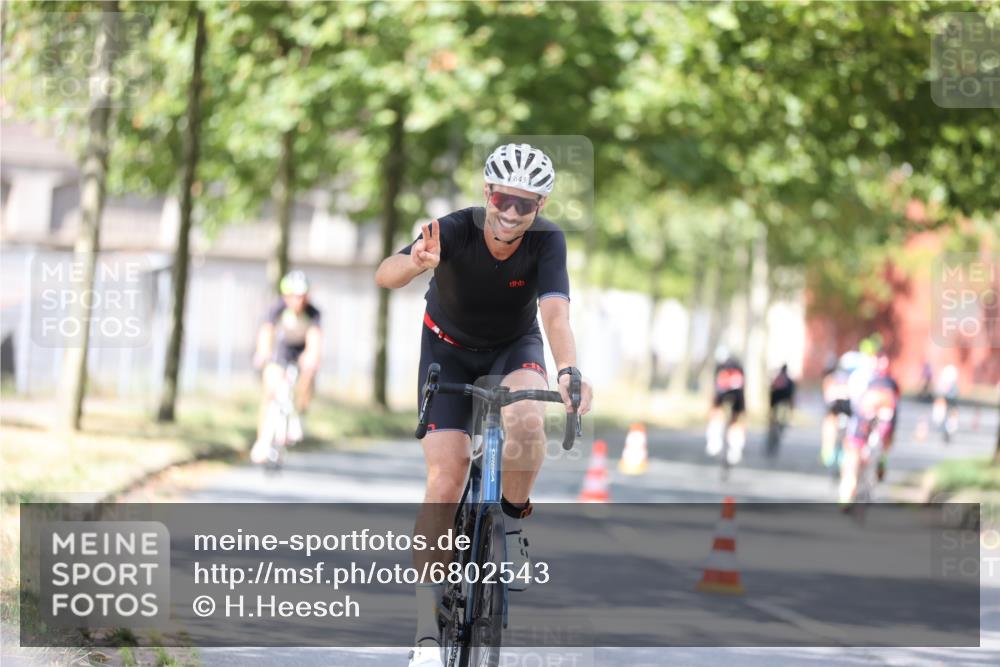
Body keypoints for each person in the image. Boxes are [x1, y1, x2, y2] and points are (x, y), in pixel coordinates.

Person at [374, 143, 593, 667]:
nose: (512, 212)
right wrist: (413, 264)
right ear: (486, 193)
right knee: (445, 480)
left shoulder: (548, 241)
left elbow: (556, 316)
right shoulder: (451, 230)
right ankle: (427, 632)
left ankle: (512, 522)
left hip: (512, 348)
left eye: (526, 203)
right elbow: (385, 274)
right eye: (504, 198)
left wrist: (567, 372)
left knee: (526, 420)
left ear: (540, 207)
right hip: (446, 351)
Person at [249, 270, 322, 464]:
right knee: (270, 387)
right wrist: (263, 352)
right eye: (294, 296)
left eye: (302, 296)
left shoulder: (313, 313)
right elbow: (266, 331)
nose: (298, 301)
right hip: (281, 349)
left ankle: (299, 412)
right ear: (286, 296)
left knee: (308, 372)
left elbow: (314, 339)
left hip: (300, 350)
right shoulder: (277, 309)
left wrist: (311, 358)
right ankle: (262, 440)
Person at [839, 351, 900, 506]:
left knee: (856, 454)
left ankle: (850, 489)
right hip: (864, 422)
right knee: (856, 454)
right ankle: (850, 488)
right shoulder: (866, 379)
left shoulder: (884, 382)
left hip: (869, 423)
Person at [705, 346, 746, 465]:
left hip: (722, 394)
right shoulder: (739, 366)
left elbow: (715, 387)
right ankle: (736, 449)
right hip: (738, 396)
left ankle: (714, 443)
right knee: (737, 420)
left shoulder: (720, 367)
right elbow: (743, 388)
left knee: (716, 413)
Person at [820, 354, 853, 467]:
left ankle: (827, 449)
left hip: (837, 405)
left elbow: (827, 395)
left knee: (829, 421)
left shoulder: (831, 377)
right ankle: (842, 450)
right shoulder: (851, 377)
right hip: (846, 406)